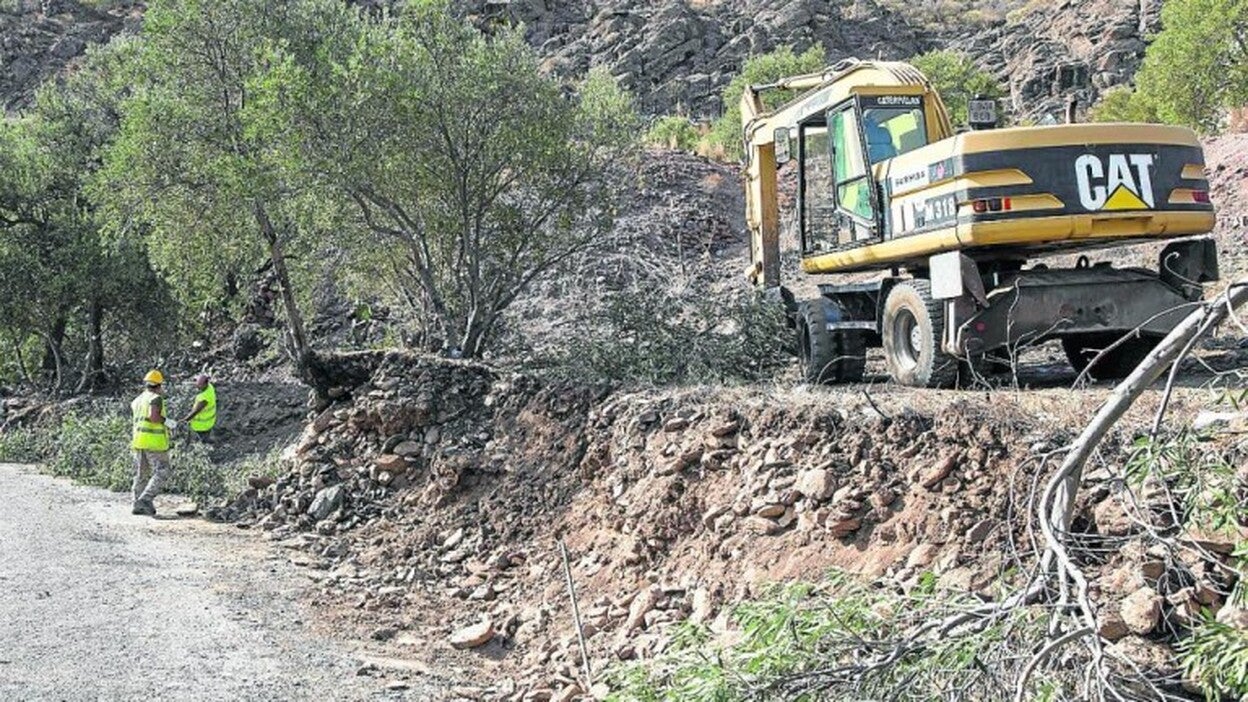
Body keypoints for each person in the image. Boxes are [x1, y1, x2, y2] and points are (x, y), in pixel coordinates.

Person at [131, 369, 175, 516]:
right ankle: (145, 499)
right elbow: (154, 417)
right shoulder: (155, 399)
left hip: (138, 441)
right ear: (159, 385)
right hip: (154, 442)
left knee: (141, 474)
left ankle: (137, 503)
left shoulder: (137, 400)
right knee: (163, 471)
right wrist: (168, 422)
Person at [183, 373, 217, 442]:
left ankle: (205, 444)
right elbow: (198, 382)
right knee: (207, 435)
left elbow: (195, 412)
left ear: (205, 384)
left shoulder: (204, 398)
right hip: (209, 421)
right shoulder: (210, 387)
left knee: (201, 439)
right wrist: (189, 383)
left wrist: (184, 420)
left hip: (201, 425)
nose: (197, 386)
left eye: (199, 385)